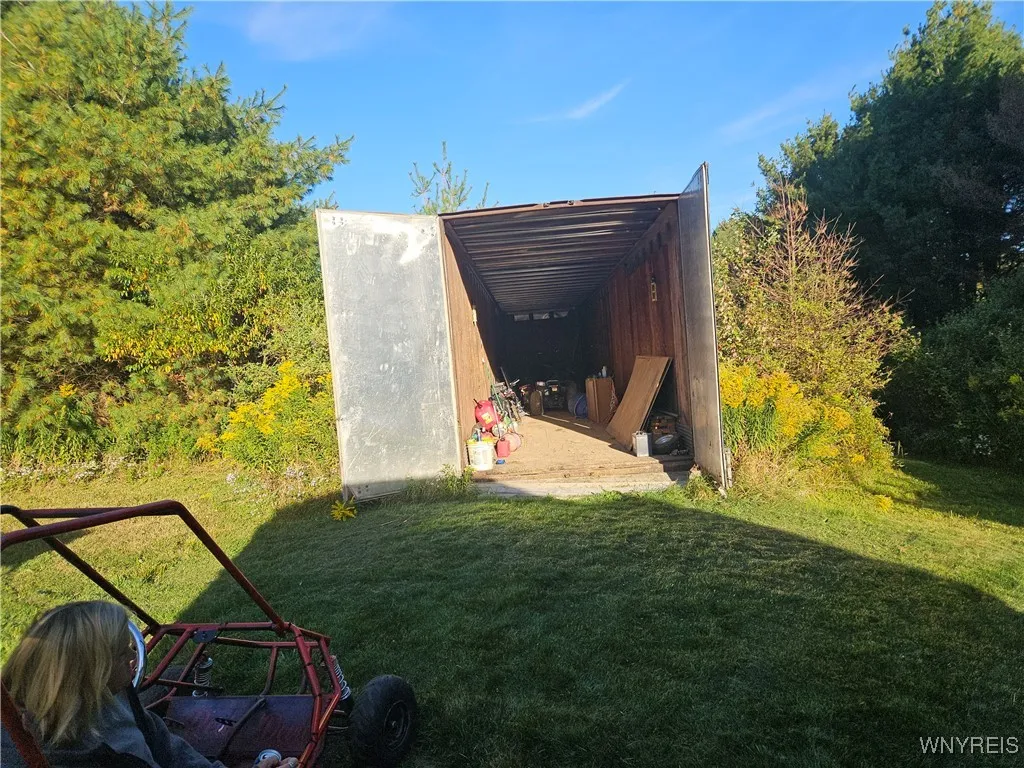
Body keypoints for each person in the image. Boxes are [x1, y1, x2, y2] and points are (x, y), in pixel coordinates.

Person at [1, 601, 298, 768]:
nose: (135, 656)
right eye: (123, 653)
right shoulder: (61, 758)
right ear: (92, 674)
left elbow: (165, 746)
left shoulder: (115, 697)